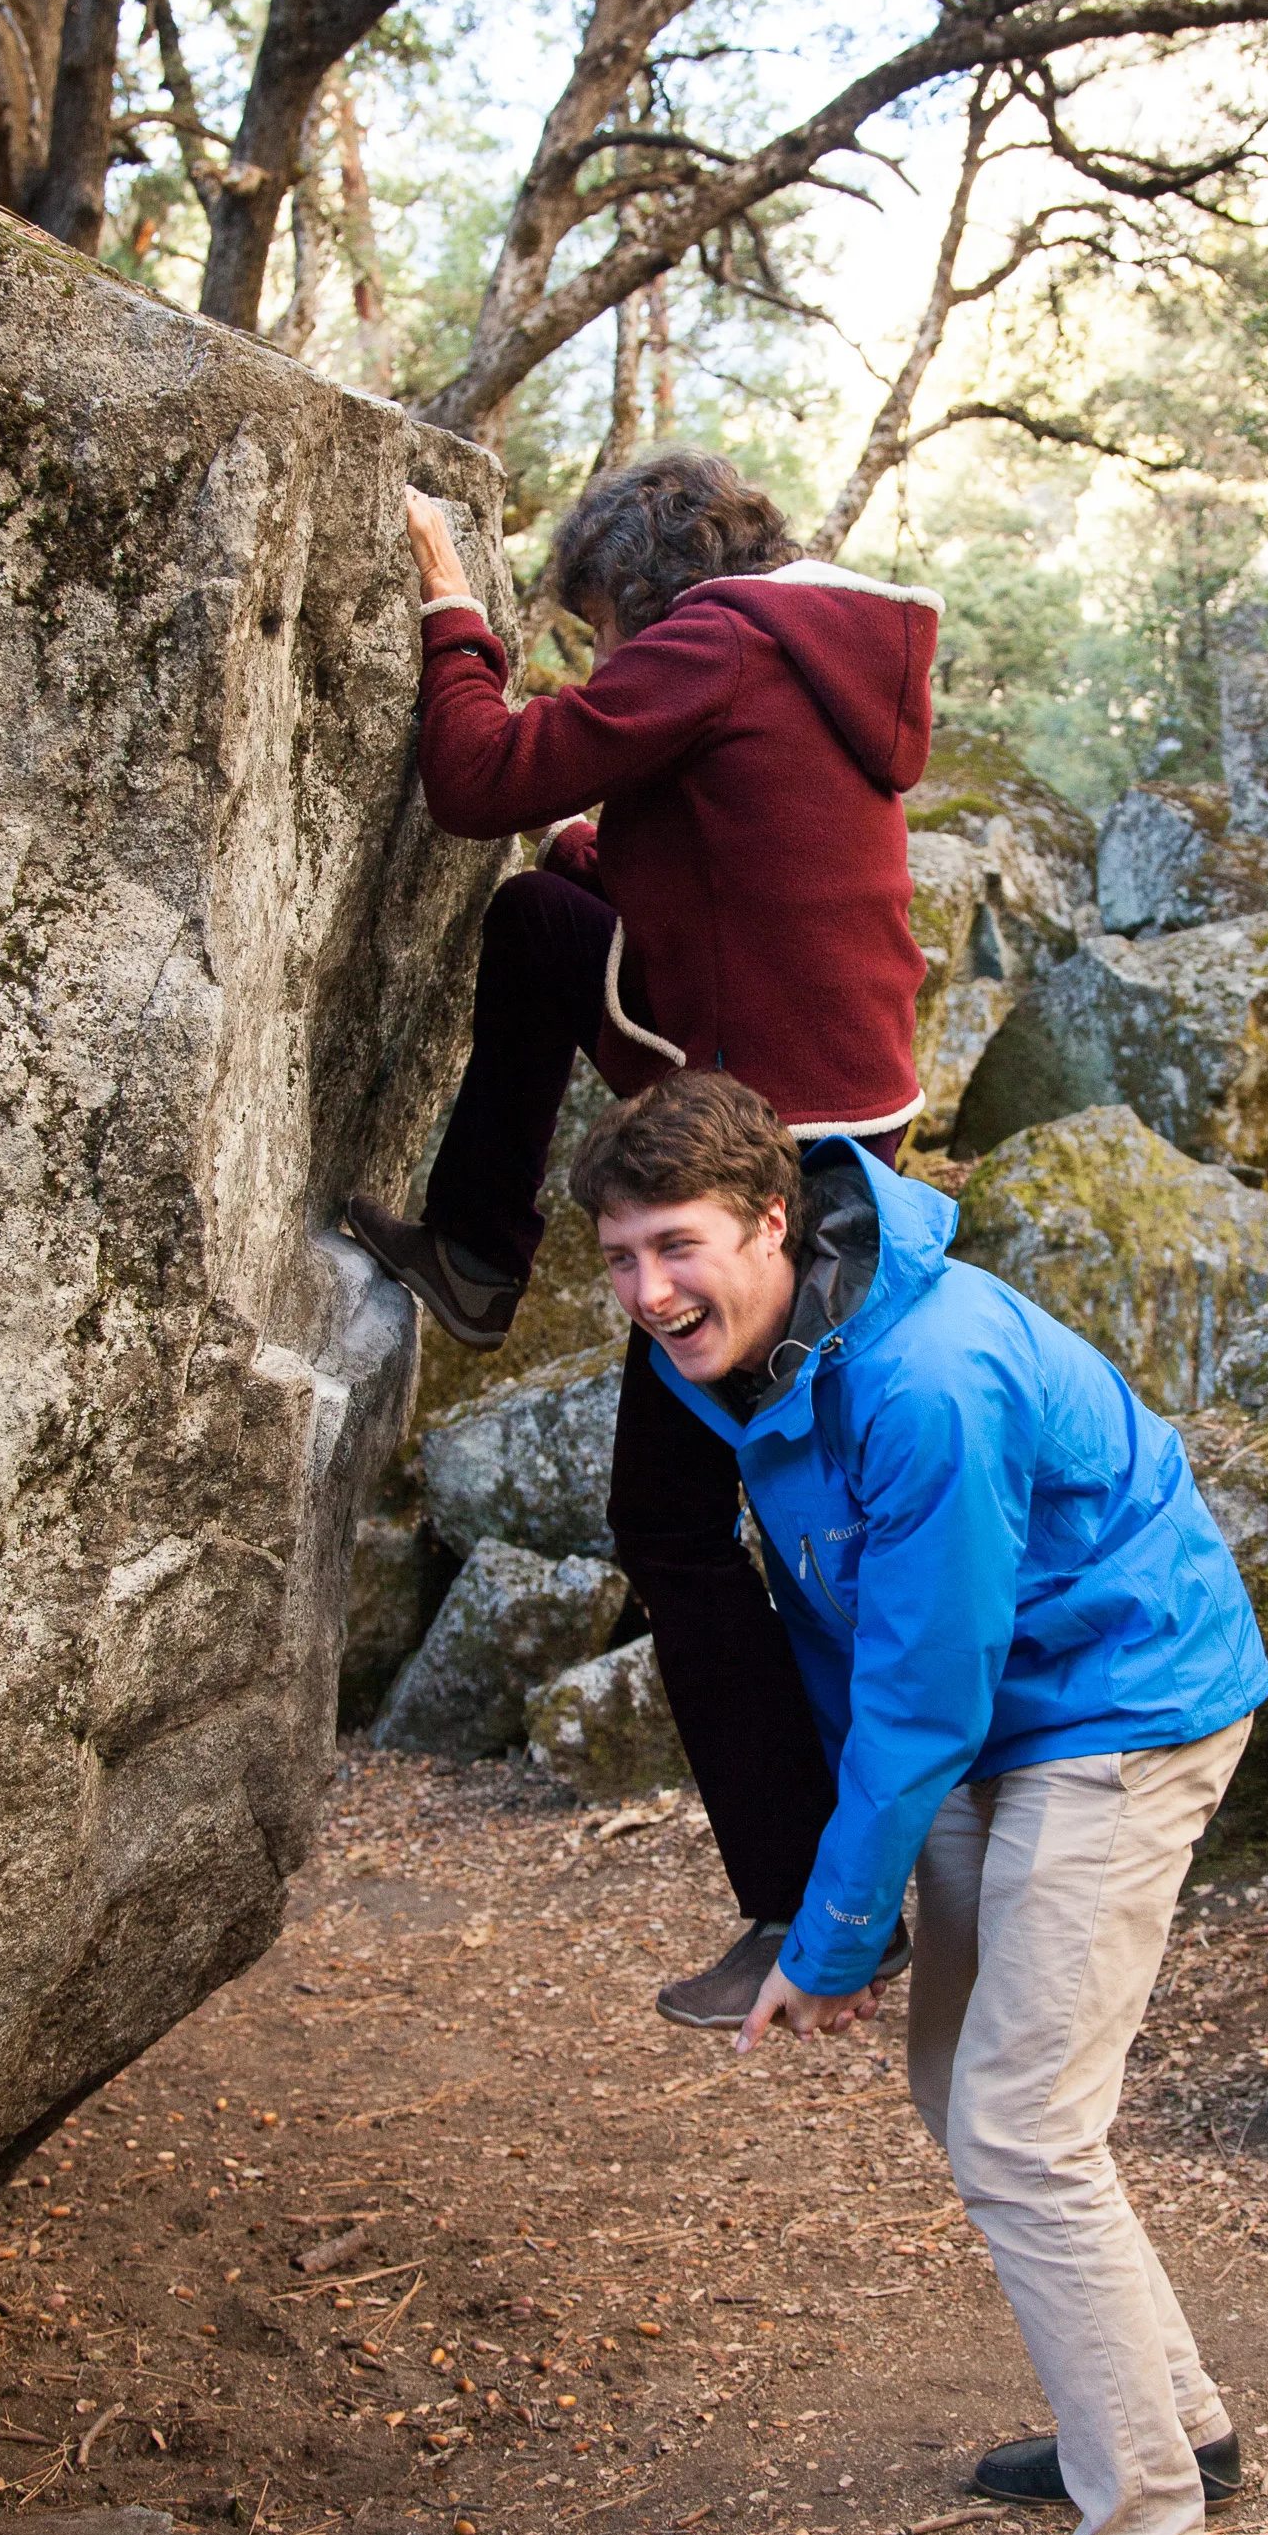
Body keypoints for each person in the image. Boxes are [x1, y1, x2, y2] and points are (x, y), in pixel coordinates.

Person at [562, 1068, 1268, 2535]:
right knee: (969, 2091)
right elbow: (841, 1631)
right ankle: (1178, 2419)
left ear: (771, 1220)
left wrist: (824, 1938)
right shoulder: (762, 1352)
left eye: (676, 1247)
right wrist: (845, 1901)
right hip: (1000, 1713)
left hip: (1117, 1708)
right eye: (617, 1258)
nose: (649, 1293)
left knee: (1025, 2127)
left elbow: (926, 1693)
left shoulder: (924, 1377)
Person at [347, 453, 942, 2026]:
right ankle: (477, 1256)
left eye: (602, 626)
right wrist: (599, 861)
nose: (605, 658)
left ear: (649, 589)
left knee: (673, 1524)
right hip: (846, 1124)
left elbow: (477, 776)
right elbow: (733, 857)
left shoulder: (717, 641)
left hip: (772, 1166)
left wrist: (450, 600)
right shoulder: (819, 656)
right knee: (550, 917)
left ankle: (814, 1906)